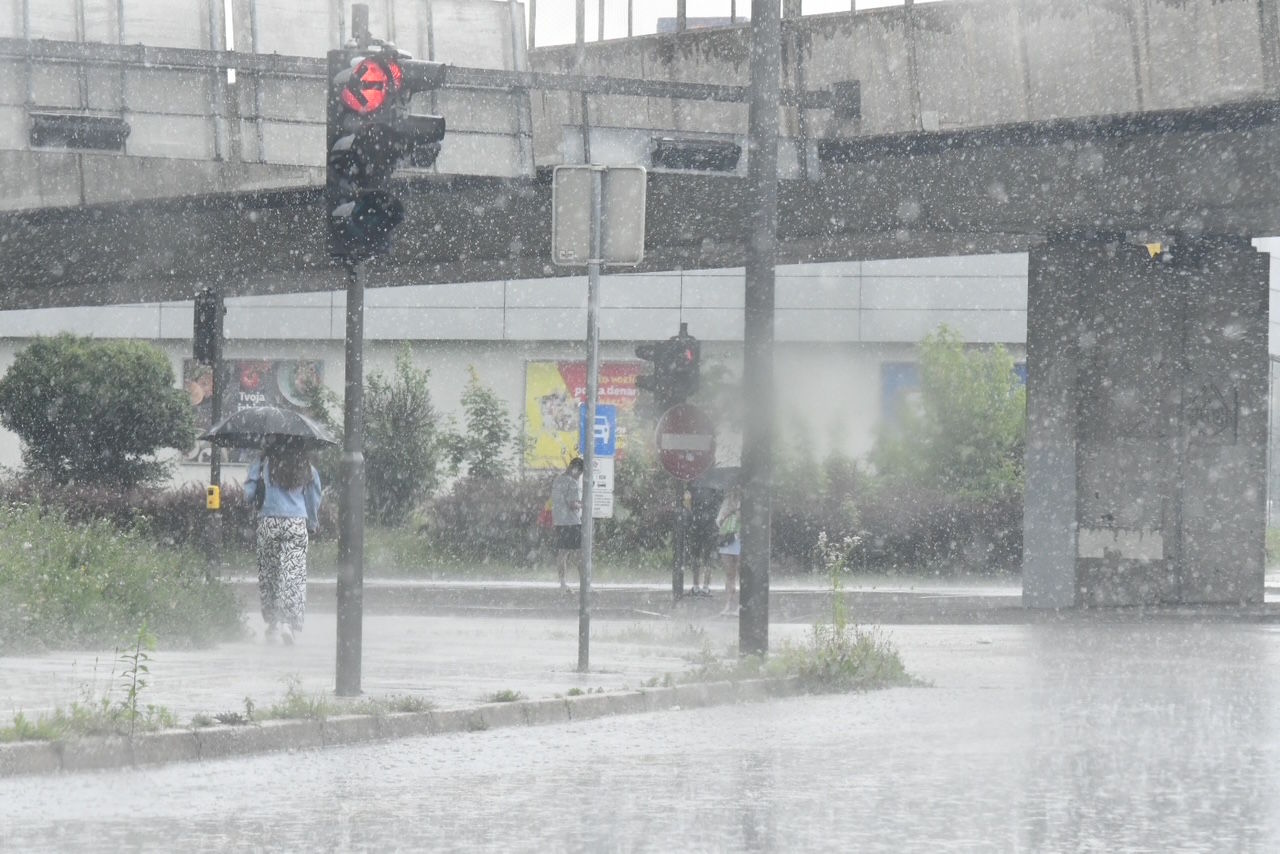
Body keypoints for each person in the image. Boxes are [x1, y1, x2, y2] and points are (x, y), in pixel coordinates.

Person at [244, 438, 322, 644]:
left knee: (270, 576)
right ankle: (289, 624)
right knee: (293, 575)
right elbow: (313, 500)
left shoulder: (262, 465)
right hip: (296, 523)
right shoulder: (307, 468)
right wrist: (312, 524)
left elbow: (248, 495)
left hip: (268, 523)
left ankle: (272, 623)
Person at [551, 457, 585, 591]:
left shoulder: (557, 480)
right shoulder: (572, 483)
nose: (579, 476)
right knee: (579, 554)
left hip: (559, 521)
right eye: (580, 473)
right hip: (572, 522)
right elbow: (573, 504)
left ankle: (562, 583)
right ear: (576, 470)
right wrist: (583, 504)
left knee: (562, 553)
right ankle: (584, 583)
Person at [715, 485, 741, 616]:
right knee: (729, 575)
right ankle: (728, 604)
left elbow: (747, 521)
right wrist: (726, 514)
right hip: (726, 540)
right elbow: (718, 522)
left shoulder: (746, 502)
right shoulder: (726, 502)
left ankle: (740, 605)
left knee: (742, 575)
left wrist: (737, 511)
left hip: (740, 540)